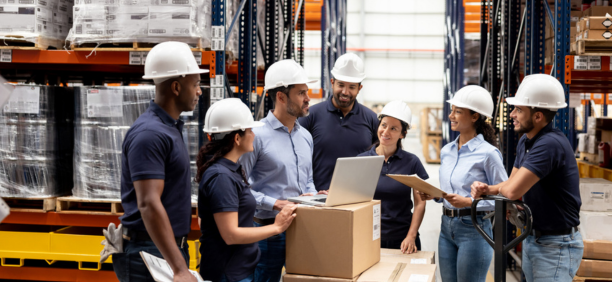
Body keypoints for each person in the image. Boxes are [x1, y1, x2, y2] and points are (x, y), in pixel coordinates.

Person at [471, 74, 583, 282]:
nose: (512, 114)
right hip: (533, 238)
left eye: (519, 110)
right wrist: (489, 189)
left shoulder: (549, 144)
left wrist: (502, 190)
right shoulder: (526, 141)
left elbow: (513, 191)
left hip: (556, 245)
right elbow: (511, 183)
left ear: (538, 116)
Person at [113, 41, 208, 282]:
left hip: (165, 249)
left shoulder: (169, 128)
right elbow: (148, 204)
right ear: (176, 87)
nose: (200, 91)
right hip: (149, 254)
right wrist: (179, 269)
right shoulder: (150, 134)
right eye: (196, 84)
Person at [239, 59, 326, 282]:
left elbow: (308, 181)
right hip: (267, 232)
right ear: (281, 96)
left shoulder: (305, 136)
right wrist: (276, 203)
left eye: (307, 92)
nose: (308, 99)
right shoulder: (256, 136)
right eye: (301, 93)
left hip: (301, 229)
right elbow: (240, 189)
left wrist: (315, 197)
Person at [196, 98, 297, 282]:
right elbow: (230, 235)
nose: (254, 135)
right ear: (236, 138)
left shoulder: (230, 170)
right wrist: (276, 227)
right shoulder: (221, 177)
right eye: (250, 130)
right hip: (229, 274)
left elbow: (205, 221)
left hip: (238, 270)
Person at [419, 85, 508, 282]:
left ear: (475, 116)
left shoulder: (488, 153)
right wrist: (435, 195)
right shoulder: (447, 151)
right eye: (452, 111)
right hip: (446, 227)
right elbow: (451, 191)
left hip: (474, 229)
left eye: (458, 112)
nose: (451, 116)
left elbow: (504, 198)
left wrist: (468, 202)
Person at [299, 53, 378, 191]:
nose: (345, 92)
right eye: (341, 85)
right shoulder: (310, 116)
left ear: (359, 88)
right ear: (332, 83)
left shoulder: (372, 119)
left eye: (352, 87)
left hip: (358, 198)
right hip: (317, 198)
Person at [357, 101, 427, 253]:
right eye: (383, 125)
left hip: (403, 240)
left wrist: (411, 236)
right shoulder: (362, 160)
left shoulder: (411, 162)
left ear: (403, 134)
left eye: (393, 128)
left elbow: (420, 203)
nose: (386, 131)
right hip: (369, 237)